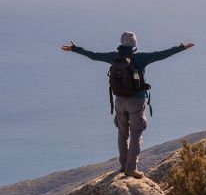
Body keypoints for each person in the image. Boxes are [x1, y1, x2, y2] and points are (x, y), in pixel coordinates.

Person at [61, 31, 195, 178]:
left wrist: (75, 49)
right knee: (136, 134)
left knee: (122, 133)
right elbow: (161, 54)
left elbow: (93, 55)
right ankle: (131, 168)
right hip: (136, 102)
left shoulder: (113, 56)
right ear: (135, 44)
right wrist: (181, 48)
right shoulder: (141, 57)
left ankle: (123, 165)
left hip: (119, 101)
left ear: (121, 43)